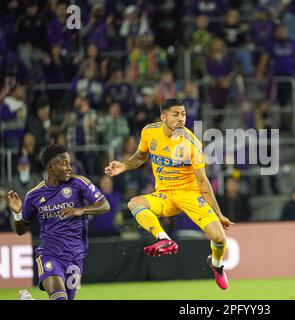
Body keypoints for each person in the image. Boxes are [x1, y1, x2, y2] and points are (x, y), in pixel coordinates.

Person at [105, 98, 234, 290]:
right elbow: (141, 157)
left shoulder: (191, 143)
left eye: (183, 114)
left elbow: (203, 182)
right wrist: (124, 165)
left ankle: (216, 264)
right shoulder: (149, 131)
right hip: (165, 194)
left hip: (189, 194)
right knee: (134, 203)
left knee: (219, 239)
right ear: (163, 116)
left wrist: (218, 213)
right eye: (176, 114)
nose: (181, 118)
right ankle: (163, 238)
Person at [7, 144, 110, 300]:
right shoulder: (34, 195)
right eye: (64, 163)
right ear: (51, 167)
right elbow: (21, 230)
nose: (69, 167)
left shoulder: (79, 184)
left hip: (76, 256)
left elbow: (104, 205)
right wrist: (17, 213)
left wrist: (80, 210)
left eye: (69, 162)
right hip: (50, 254)